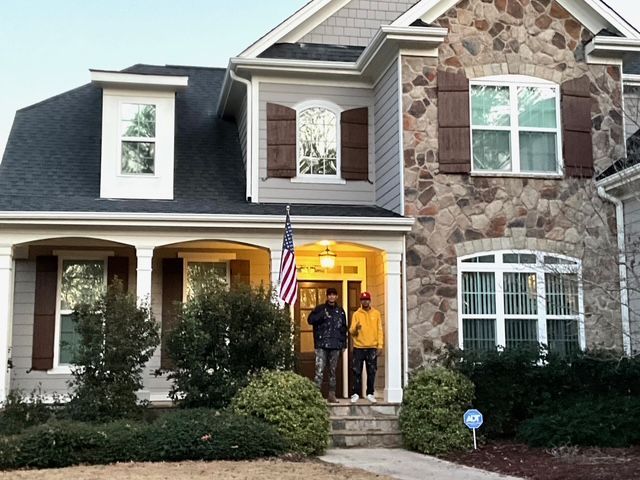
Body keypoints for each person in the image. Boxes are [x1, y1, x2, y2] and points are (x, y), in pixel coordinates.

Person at [308, 287, 347, 403]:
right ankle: (315, 395)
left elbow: (343, 328)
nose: (331, 297)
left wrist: (343, 344)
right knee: (319, 370)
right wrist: (321, 316)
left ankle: (332, 395)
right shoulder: (320, 309)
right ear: (327, 296)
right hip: (321, 344)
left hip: (335, 345)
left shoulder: (340, 311)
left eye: (334, 295)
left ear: (337, 296)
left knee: (332, 371)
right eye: (329, 295)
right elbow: (310, 320)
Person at [349, 291, 383, 403]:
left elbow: (379, 330)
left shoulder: (376, 313)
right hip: (359, 347)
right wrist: (356, 328)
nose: (365, 301)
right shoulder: (356, 314)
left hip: (372, 347)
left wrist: (380, 345)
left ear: (370, 300)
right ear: (361, 301)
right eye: (363, 300)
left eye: (367, 299)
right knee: (356, 371)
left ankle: (370, 393)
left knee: (371, 371)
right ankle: (356, 393)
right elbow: (351, 331)